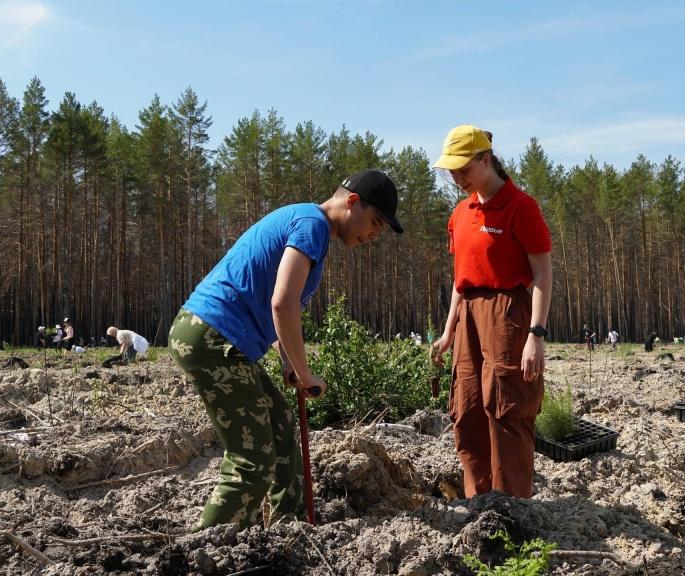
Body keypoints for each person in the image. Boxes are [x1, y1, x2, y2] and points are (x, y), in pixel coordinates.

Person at [169, 168, 403, 531]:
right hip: (213, 336)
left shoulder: (309, 224)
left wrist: (288, 363)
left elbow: (275, 307)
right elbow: (283, 303)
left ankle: (287, 531)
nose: (373, 235)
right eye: (375, 223)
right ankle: (206, 550)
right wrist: (305, 372)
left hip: (216, 336)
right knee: (252, 457)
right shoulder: (313, 226)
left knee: (280, 426)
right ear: (352, 202)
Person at [428, 125, 552, 500]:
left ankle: (512, 507)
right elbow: (459, 277)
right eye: (451, 171)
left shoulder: (521, 207)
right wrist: (449, 330)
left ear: (485, 159)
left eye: (463, 169)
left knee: (506, 408)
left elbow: (543, 274)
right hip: (467, 315)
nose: (456, 178)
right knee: (466, 410)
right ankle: (478, 504)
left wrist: (536, 335)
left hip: (507, 313)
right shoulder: (460, 213)